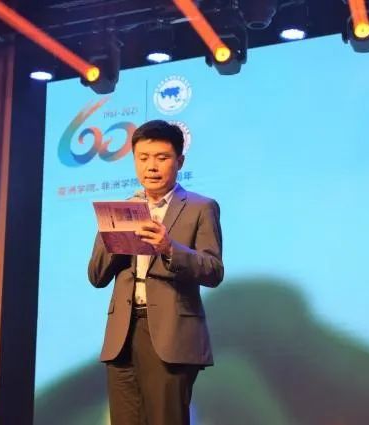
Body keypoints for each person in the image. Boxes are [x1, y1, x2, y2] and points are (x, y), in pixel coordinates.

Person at [88, 120, 224, 425]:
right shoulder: (121, 210)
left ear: (179, 161)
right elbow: (96, 276)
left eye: (161, 158)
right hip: (122, 335)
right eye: (143, 158)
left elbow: (213, 270)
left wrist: (169, 247)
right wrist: (118, 236)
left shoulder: (200, 208)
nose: (151, 166)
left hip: (170, 334)